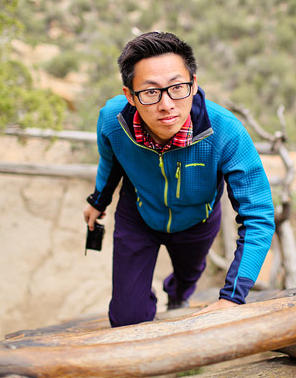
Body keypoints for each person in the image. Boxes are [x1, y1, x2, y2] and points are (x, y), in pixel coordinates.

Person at [83, 31, 275, 327]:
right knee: (126, 318)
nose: (167, 104)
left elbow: (258, 215)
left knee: (186, 281)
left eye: (177, 87)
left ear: (194, 84)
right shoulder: (112, 119)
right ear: (130, 96)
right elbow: (111, 161)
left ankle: (177, 294)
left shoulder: (226, 132)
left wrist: (233, 296)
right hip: (138, 215)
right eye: (150, 92)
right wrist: (98, 201)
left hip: (198, 221)